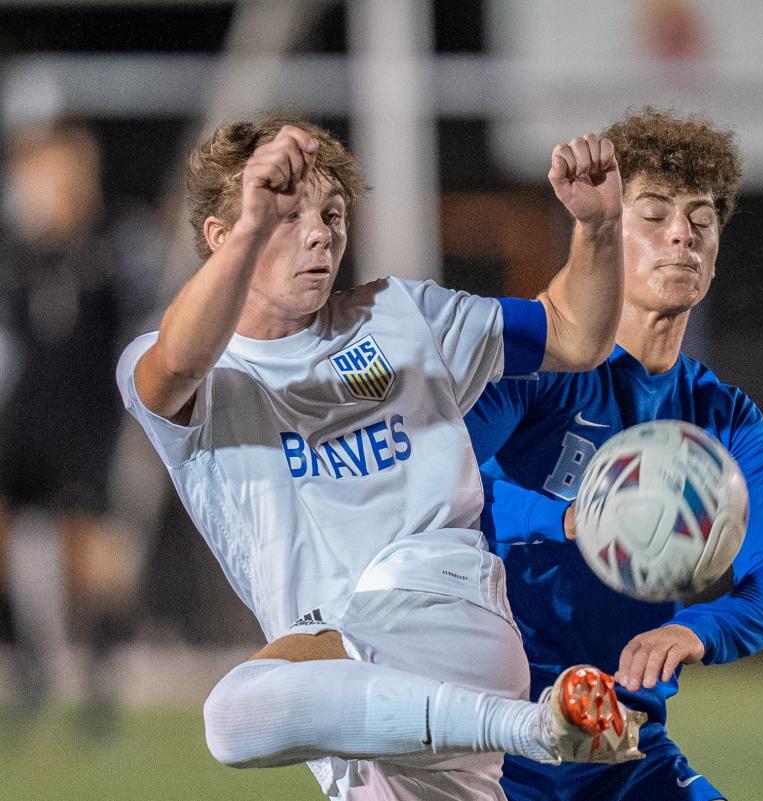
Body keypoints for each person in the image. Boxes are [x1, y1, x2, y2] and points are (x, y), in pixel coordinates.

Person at [116, 112, 646, 801]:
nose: (318, 234)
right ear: (224, 236)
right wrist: (252, 226)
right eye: (286, 214)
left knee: (234, 714)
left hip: (445, 611)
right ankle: (537, 725)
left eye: (332, 213)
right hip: (355, 690)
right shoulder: (193, 375)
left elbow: (574, 333)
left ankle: (541, 728)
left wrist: (599, 231)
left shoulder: (401, 318)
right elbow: (177, 362)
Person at [465, 107, 763, 801]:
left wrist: (695, 627)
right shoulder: (533, 371)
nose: (682, 233)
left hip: (622, 740)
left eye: (702, 220)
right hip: (488, 736)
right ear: (605, 235)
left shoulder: (724, 419)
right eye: (653, 214)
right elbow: (430, 486)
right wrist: (563, 518)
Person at [0, 117, 138, 734]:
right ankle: (29, 667)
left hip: (86, 418)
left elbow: (137, 316)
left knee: (87, 553)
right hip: (24, 413)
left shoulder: (108, 246)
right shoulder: (17, 253)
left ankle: (100, 683)